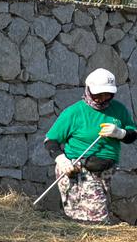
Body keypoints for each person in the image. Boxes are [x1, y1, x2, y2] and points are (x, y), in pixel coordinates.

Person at [44, 67, 135, 225]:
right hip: (78, 169)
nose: (103, 98)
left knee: (86, 215)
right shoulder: (74, 112)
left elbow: (132, 134)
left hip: (105, 171)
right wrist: (61, 159)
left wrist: (120, 133)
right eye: (98, 94)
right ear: (88, 90)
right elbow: (51, 140)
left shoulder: (119, 110)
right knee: (95, 216)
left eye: (108, 94)